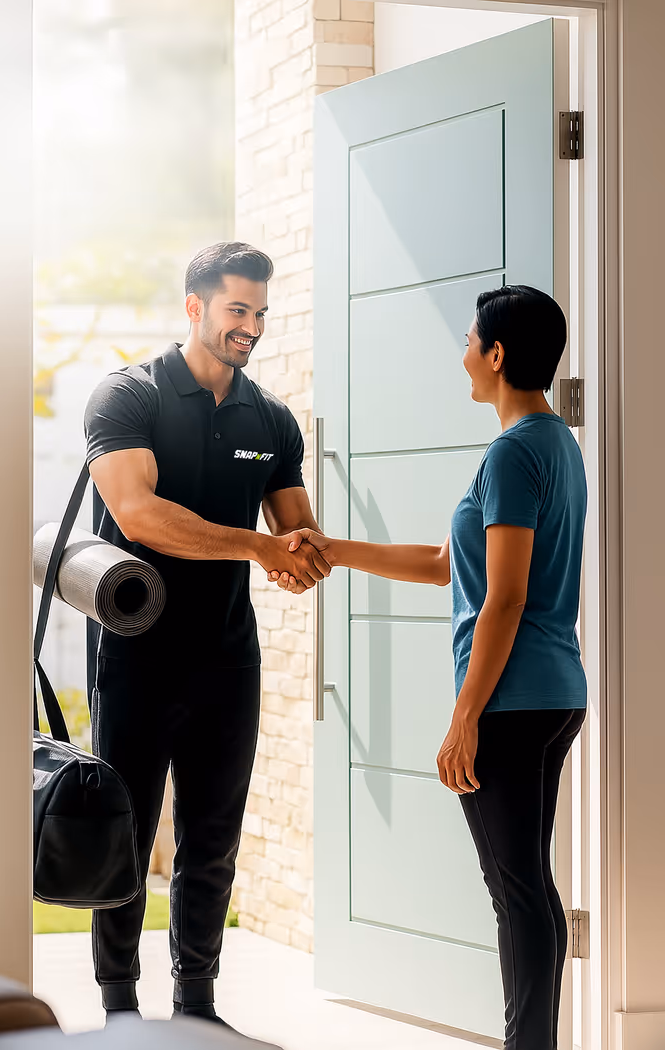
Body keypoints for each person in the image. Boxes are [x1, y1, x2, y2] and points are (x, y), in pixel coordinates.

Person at [271, 286, 587, 1050]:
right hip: (553, 693)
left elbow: (504, 600)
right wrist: (335, 548)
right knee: (528, 885)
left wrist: (464, 717)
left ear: (498, 355)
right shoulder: (553, 443)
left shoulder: (514, 452)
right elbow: (453, 564)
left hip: (511, 700)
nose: (464, 353)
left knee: (515, 891)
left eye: (471, 339)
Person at [84, 242, 329, 1026]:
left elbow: (298, 532)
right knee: (124, 832)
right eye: (236, 310)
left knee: (213, 837)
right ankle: (120, 1005)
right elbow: (138, 513)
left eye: (260, 312)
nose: (251, 327)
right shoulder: (128, 396)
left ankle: (196, 1004)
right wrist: (259, 546)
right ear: (194, 307)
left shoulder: (272, 420)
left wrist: (300, 557)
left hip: (228, 657)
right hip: (134, 655)